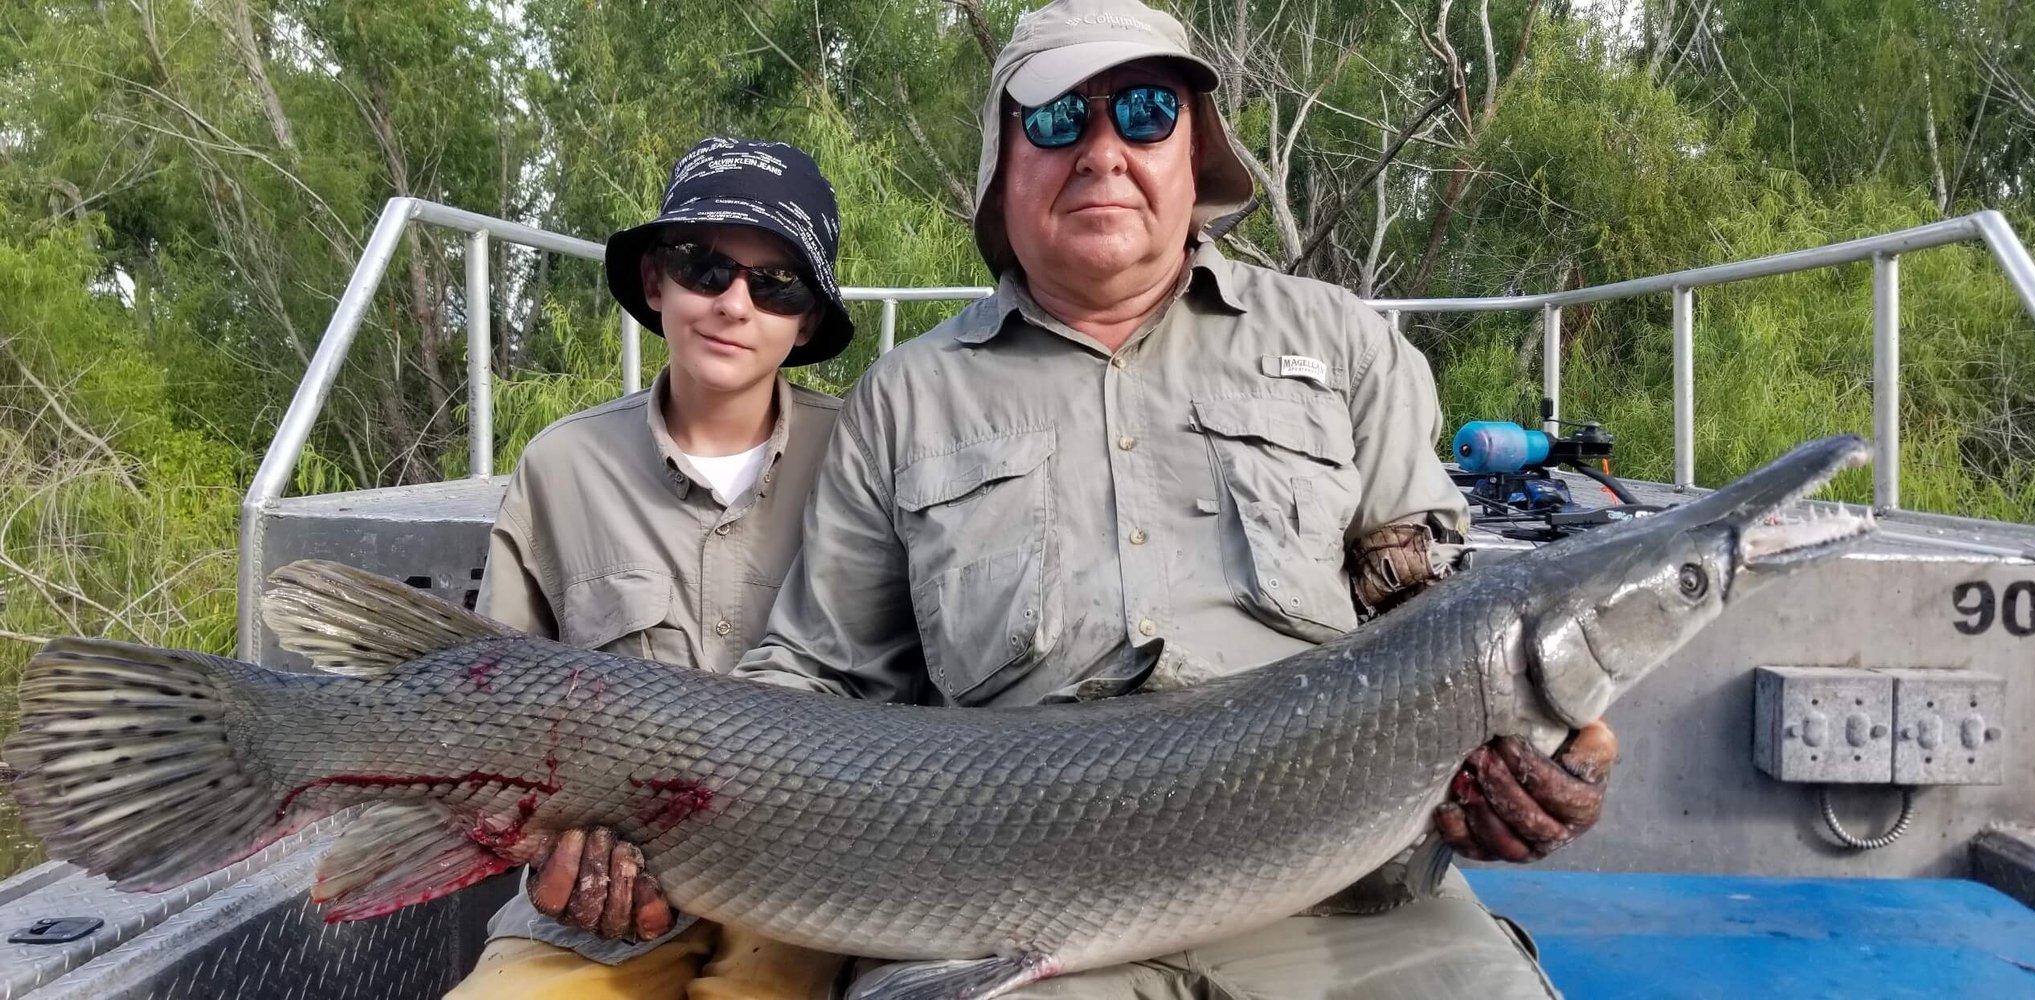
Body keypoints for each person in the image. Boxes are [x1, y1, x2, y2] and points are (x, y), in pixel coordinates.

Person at [533, 1, 1619, 996]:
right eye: (1056, 118)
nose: (1102, 149)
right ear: (1002, 168)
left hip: (1354, 911)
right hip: (1016, 923)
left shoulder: (1344, 347)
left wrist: (1538, 760)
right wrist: (652, 819)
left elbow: (1432, 633)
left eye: (1144, 112)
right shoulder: (905, 398)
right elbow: (810, 680)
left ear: (1194, 152)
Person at [445, 136, 857, 1000]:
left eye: (775, 283)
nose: (734, 303)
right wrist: (556, 853)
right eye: (704, 267)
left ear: (807, 319)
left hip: (816, 895)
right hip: (597, 906)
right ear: (655, 283)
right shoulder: (561, 468)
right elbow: (490, 716)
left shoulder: (865, 454)